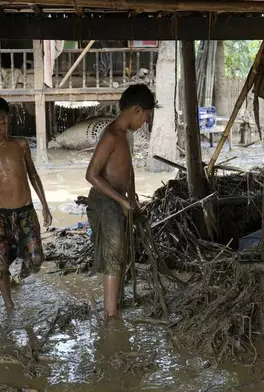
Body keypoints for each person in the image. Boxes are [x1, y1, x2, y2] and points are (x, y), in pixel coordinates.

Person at [85, 84, 156, 321]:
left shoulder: (127, 135)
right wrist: (120, 199)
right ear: (136, 110)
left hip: (119, 200)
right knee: (113, 256)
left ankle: (113, 305)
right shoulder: (112, 135)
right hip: (106, 201)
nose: (145, 121)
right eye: (146, 116)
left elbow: (128, 168)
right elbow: (91, 175)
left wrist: (132, 196)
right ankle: (111, 314)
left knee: (119, 254)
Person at [0, 95, 52, 308]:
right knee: (0, 266)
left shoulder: (21, 145)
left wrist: (45, 205)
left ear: (8, 120)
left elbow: (33, 176)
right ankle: (9, 306)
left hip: (26, 212)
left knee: (36, 259)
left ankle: (21, 276)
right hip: (0, 216)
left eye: (1, 123)